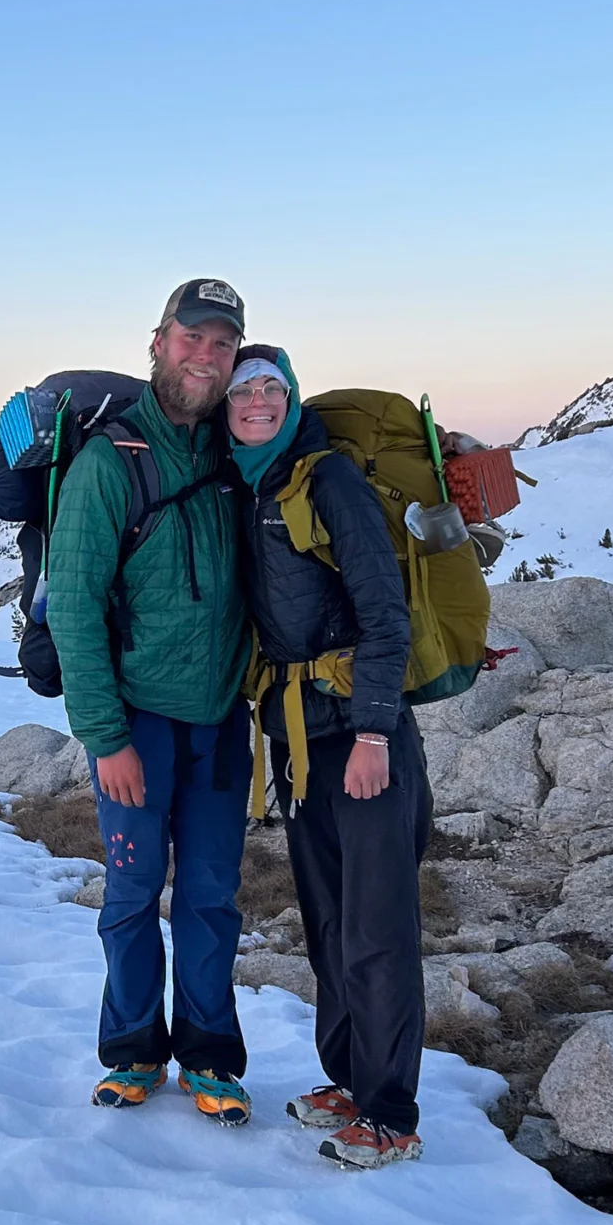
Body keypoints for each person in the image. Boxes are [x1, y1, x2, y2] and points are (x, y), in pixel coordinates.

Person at [45, 279, 254, 1125]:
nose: (205, 356)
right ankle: (132, 1048)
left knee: (210, 894)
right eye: (190, 337)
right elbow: (74, 604)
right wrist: (105, 735)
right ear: (158, 343)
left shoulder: (239, 456)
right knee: (133, 890)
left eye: (222, 345)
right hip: (138, 724)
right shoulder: (110, 462)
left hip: (219, 721)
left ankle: (209, 1056)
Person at [226, 345, 431, 1167]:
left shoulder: (328, 480)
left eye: (272, 387)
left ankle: (391, 1114)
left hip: (360, 733)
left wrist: (377, 731)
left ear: (292, 397)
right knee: (330, 922)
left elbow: (386, 611)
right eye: (245, 390)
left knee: (378, 925)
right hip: (298, 738)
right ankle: (348, 1079)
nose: (258, 400)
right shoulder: (251, 484)